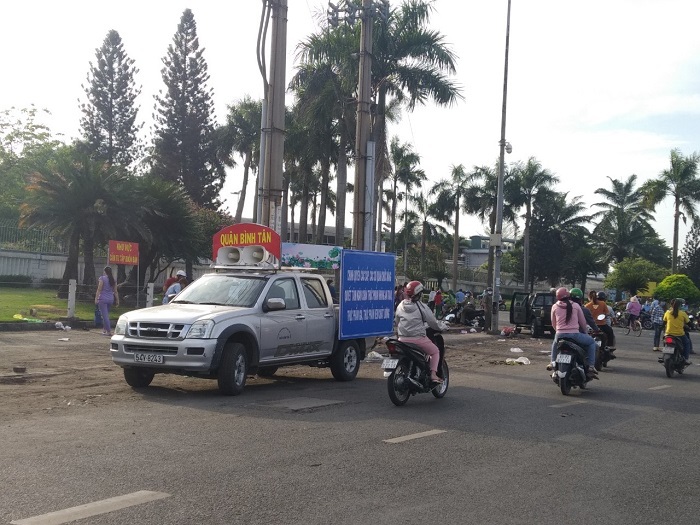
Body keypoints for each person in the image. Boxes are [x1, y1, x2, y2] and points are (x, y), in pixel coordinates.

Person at [394, 280, 449, 383]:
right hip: (417, 339)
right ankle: (433, 375)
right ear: (419, 294)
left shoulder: (401, 305)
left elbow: (397, 321)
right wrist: (442, 327)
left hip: (402, 339)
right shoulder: (422, 306)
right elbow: (433, 322)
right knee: (435, 351)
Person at [548, 287, 598, 379]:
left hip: (559, 334)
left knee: (555, 344)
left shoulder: (554, 306)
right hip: (575, 335)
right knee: (591, 342)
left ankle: (552, 362)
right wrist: (586, 332)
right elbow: (583, 322)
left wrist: (558, 331)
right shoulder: (576, 306)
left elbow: (553, 323)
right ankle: (591, 366)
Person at [663, 298, 692, 365]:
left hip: (668, 334)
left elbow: (664, 323)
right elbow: (689, 323)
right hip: (680, 334)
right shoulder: (682, 313)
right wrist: (691, 326)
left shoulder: (667, 312)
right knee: (687, 343)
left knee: (665, 342)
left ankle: (664, 355)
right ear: (680, 306)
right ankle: (685, 358)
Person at [95, 266, 119, 336]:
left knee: (105, 316)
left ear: (105, 271)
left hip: (103, 299)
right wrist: (117, 300)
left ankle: (109, 331)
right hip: (110, 299)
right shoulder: (113, 280)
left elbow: (99, 289)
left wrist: (96, 298)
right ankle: (104, 329)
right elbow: (115, 291)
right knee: (106, 314)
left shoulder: (102, 278)